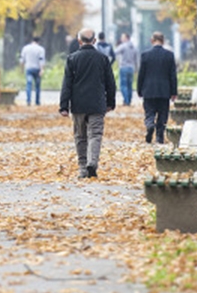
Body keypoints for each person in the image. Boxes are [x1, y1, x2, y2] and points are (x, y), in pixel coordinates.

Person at [59, 28, 117, 179]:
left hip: (78, 104)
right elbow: (110, 83)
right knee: (95, 135)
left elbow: (67, 84)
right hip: (97, 104)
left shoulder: (72, 59)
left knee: (80, 136)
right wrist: (110, 102)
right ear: (94, 41)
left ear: (79, 41)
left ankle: (82, 168)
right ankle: (92, 162)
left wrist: (64, 106)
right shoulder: (103, 59)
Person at [137, 31, 178, 144]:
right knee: (162, 114)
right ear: (163, 41)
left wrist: (139, 89)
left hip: (148, 89)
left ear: (152, 40)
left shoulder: (145, 55)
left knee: (149, 111)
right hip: (164, 90)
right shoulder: (169, 55)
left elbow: (141, 74)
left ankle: (150, 124)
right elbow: (172, 75)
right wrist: (174, 91)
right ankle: (159, 137)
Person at [19, 35, 46, 106]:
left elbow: (22, 60)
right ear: (38, 42)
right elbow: (41, 60)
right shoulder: (41, 49)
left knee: (29, 84)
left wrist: (21, 69)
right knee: (37, 86)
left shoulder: (25, 48)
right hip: (37, 69)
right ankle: (37, 101)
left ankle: (28, 100)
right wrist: (42, 70)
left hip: (28, 68)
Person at [114, 32, 138, 106]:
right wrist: (136, 69)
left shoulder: (123, 46)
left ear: (126, 38)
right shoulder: (134, 47)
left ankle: (126, 101)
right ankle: (129, 100)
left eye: (122, 37)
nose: (121, 39)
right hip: (131, 68)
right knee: (129, 85)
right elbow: (136, 59)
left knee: (123, 85)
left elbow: (115, 52)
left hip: (123, 67)